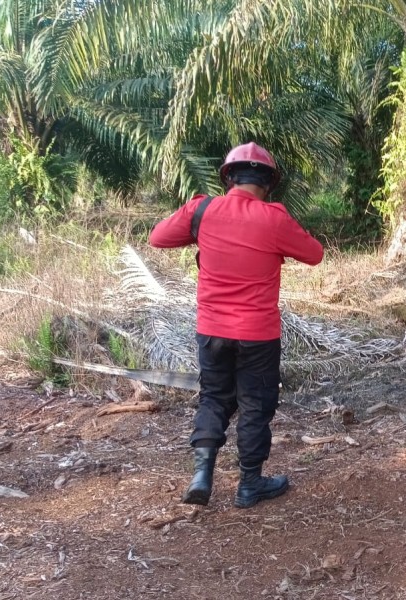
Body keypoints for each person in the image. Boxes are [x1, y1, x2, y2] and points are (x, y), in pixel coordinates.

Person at [149, 142, 324, 508]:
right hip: (258, 333)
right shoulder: (273, 217)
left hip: (211, 329)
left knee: (214, 397)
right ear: (268, 183)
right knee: (255, 404)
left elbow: (158, 237)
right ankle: (250, 484)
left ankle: (202, 474)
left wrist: (199, 226)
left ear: (228, 177)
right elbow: (314, 254)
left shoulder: (203, 209)